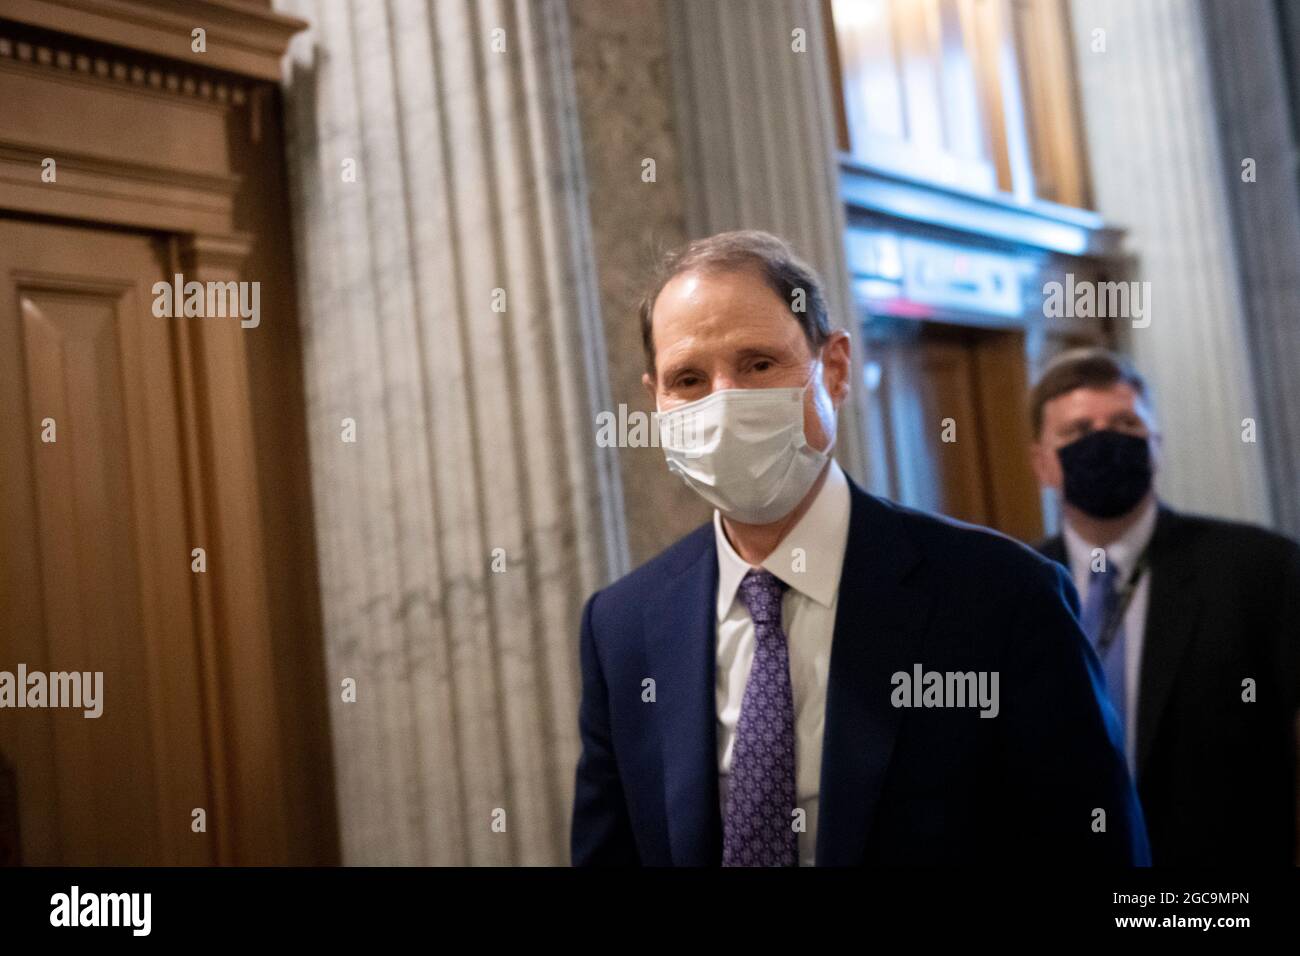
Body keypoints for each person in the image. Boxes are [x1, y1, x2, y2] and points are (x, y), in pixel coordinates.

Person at [570, 230, 1148, 866]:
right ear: (655, 399)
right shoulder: (621, 626)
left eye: (759, 364)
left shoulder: (1001, 597)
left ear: (835, 369)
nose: (724, 403)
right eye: (688, 379)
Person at [1030, 347, 1300, 865]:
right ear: (1042, 462)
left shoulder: (1261, 569)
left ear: (1156, 446)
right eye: (1078, 431)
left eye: (1125, 423)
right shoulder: (1016, 586)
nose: (1103, 441)